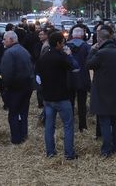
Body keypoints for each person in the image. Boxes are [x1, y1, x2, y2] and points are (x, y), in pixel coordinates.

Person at [36, 31, 79, 160]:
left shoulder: (43, 57)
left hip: (47, 97)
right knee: (68, 125)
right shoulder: (61, 57)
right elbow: (76, 67)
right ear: (59, 43)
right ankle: (69, 153)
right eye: (63, 42)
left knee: (49, 126)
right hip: (62, 97)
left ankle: (50, 152)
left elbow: (38, 77)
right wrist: (69, 55)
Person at [86, 29, 116, 157]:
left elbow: (88, 65)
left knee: (104, 121)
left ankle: (106, 149)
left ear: (99, 40)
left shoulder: (100, 54)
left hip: (101, 91)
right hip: (115, 89)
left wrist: (92, 50)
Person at [0, 31, 34, 144]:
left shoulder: (9, 53)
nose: (3, 41)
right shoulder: (24, 50)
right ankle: (23, 135)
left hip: (15, 88)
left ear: (12, 40)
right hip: (27, 86)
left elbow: (6, 73)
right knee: (23, 113)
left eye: (5, 39)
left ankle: (16, 139)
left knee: (13, 114)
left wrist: (5, 86)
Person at [66, 27, 91, 132]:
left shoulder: (66, 46)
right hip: (82, 78)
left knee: (69, 103)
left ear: (72, 34)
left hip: (69, 78)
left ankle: (70, 124)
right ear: (82, 35)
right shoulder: (86, 47)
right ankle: (82, 125)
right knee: (82, 104)